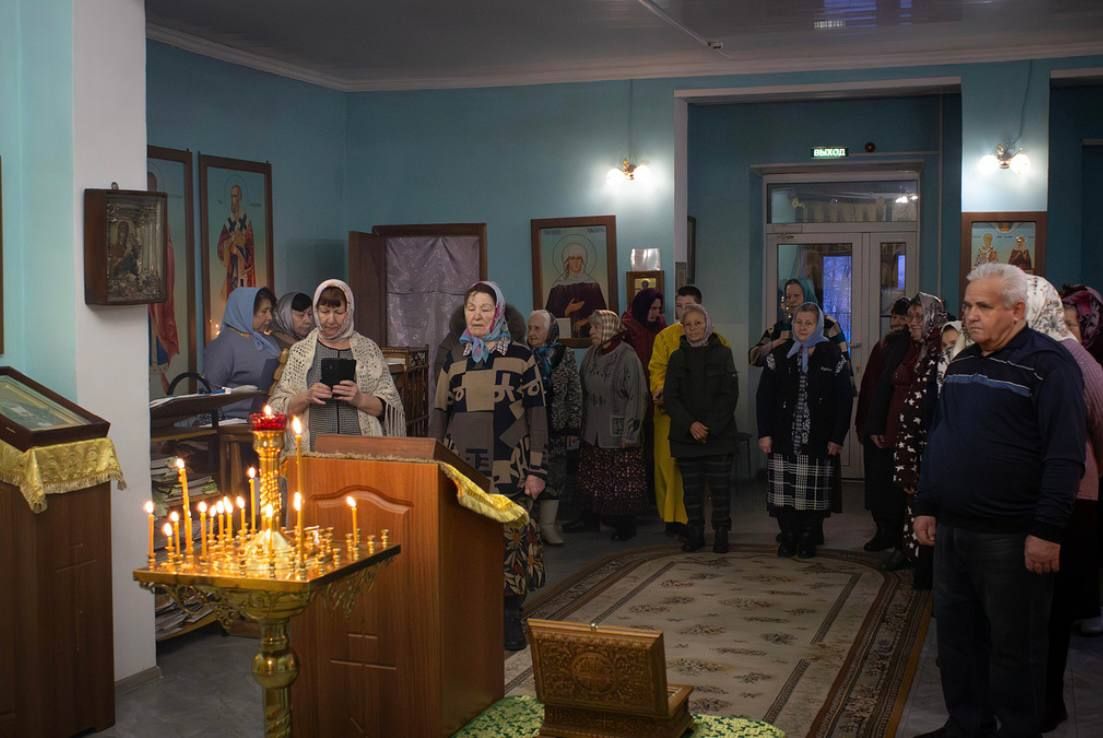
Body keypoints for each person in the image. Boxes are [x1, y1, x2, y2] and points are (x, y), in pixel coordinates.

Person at [913, 263, 1086, 738]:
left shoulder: (1049, 365)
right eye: (968, 305)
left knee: (1015, 649)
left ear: (1017, 310)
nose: (970, 315)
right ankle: (966, 724)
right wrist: (926, 503)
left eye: (983, 307)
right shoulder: (963, 364)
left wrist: (1047, 531)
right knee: (957, 641)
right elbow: (940, 437)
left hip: (1013, 536)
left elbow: (1064, 456)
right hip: (954, 530)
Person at [429, 281, 547, 651]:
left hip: (509, 466)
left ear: (498, 313)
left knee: (508, 543)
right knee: (467, 541)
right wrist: (435, 461)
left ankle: (510, 616)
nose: (477, 315)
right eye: (471, 308)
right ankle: (471, 615)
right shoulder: (454, 357)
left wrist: (537, 470)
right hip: (463, 468)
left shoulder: (521, 356)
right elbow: (439, 412)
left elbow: (537, 415)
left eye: (485, 308)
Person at [1023, 276, 1103, 732]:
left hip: (1071, 502)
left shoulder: (1074, 359)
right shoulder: (1032, 353)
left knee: (1050, 613)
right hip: (1036, 500)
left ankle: (1046, 703)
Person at [756, 302, 852, 559]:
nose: (803, 327)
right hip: (782, 438)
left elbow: (844, 401)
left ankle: (808, 537)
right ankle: (788, 536)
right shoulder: (778, 355)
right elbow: (764, 397)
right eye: (799, 322)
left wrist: (837, 437)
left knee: (813, 496)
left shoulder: (832, 355)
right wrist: (764, 433)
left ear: (818, 325)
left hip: (818, 440)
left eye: (809, 323)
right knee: (784, 495)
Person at [269, 280, 405, 449]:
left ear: (349, 310)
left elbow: (390, 407)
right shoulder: (300, 352)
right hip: (311, 452)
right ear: (316, 311)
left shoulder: (369, 350)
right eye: (324, 311)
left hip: (362, 452)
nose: (331, 320)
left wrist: (360, 399)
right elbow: (277, 407)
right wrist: (307, 396)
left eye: (338, 312)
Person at [649, 286, 730, 537]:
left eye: (689, 307)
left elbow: (727, 390)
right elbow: (657, 370)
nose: (684, 313)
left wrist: (709, 421)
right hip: (672, 416)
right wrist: (662, 391)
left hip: (707, 422)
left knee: (704, 478)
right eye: (679, 306)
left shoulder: (719, 343)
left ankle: (700, 524)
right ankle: (671, 518)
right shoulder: (665, 338)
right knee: (668, 469)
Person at [663, 304, 739, 553]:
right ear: (682, 328)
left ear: (707, 324)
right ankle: (695, 532)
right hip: (686, 435)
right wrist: (691, 424)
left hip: (718, 434)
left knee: (720, 489)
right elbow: (671, 397)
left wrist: (709, 426)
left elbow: (729, 395)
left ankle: (721, 532)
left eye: (698, 323)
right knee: (691, 490)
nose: (693, 328)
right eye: (688, 324)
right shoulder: (676, 357)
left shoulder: (723, 353)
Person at [889, 293, 948, 587]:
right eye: (910, 316)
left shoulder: (940, 355)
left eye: (918, 317)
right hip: (915, 454)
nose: (911, 322)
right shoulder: (921, 350)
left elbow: (927, 410)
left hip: (931, 456)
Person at [576, 310, 649, 542]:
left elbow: (637, 396)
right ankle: (591, 517)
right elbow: (581, 388)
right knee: (593, 475)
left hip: (618, 429)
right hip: (593, 428)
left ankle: (625, 524)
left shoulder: (627, 357)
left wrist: (630, 433)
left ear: (608, 329)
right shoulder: (591, 354)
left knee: (620, 479)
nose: (591, 331)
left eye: (596, 327)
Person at [855, 297, 910, 551]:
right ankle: (882, 530)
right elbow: (870, 386)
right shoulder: (883, 346)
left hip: (895, 427)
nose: (897, 322)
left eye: (903, 317)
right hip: (876, 425)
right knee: (876, 483)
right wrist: (867, 424)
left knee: (892, 485)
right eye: (894, 317)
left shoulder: (910, 348)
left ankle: (895, 533)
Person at [527, 309, 581, 547]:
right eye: (530, 328)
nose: (532, 333)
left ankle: (548, 526)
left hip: (557, 427)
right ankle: (530, 529)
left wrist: (573, 427)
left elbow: (574, 393)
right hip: (530, 430)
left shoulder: (564, 355)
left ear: (550, 331)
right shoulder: (523, 355)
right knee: (531, 475)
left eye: (537, 328)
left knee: (555, 476)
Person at [204, 286, 280, 419]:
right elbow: (210, 391)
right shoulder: (224, 345)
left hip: (269, 417)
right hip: (236, 423)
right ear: (245, 311)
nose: (269, 317)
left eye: (270, 311)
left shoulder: (268, 341)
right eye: (264, 311)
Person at [621, 287, 666, 508]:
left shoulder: (662, 328)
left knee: (655, 449)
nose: (655, 313)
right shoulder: (627, 328)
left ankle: (655, 496)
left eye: (658, 309)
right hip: (634, 394)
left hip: (657, 393)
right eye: (652, 308)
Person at [748, 278, 849, 368]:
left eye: (796, 296)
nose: (791, 300)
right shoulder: (779, 328)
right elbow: (753, 358)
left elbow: (844, 362)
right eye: (788, 297)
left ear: (807, 295)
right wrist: (777, 343)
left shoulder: (829, 325)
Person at [147, 170, 180, 395]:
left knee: (159, 320)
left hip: (158, 280)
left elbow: (168, 249)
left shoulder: (161, 217)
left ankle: (159, 368)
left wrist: (159, 256)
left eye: (153, 187)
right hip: (143, 285)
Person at [544, 240, 607, 338]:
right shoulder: (558, 286)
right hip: (564, 337)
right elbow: (548, 317)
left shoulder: (592, 285)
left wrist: (586, 320)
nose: (576, 262)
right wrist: (567, 310)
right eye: (572, 258)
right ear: (567, 261)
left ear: (583, 261)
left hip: (589, 335)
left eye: (579, 258)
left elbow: (603, 314)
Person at [217, 183, 255, 299]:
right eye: (232, 196)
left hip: (243, 270)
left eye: (236, 196)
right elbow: (220, 246)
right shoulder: (229, 222)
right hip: (232, 268)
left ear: (240, 197)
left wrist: (240, 249)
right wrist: (229, 243)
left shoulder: (246, 221)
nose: (234, 200)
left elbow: (250, 248)